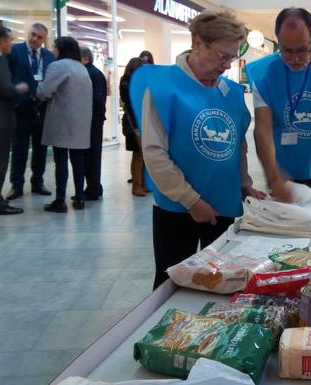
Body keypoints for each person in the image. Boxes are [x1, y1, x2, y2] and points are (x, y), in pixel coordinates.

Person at [129, 10, 265, 289]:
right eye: (221, 56)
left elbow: (236, 144)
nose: (226, 66)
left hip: (223, 202)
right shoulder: (162, 87)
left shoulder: (230, 92)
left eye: (232, 57)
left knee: (220, 278)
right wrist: (190, 200)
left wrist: (244, 183)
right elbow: (154, 153)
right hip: (177, 208)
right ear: (198, 42)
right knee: (172, 281)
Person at [246, 7, 311, 205]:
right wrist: (273, 176)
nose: (295, 58)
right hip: (283, 174)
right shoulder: (264, 74)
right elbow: (263, 130)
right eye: (287, 50)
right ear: (278, 40)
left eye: (303, 49)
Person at [37, 36, 92, 212]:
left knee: (61, 160)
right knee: (78, 159)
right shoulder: (81, 68)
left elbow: (45, 91)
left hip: (62, 120)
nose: (53, 51)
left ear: (62, 49)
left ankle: (60, 200)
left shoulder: (58, 66)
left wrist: (36, 90)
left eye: (55, 47)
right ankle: (79, 197)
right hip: (81, 122)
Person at [6, 23, 54, 200]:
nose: (34, 39)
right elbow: (6, 76)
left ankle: (37, 182)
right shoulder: (15, 51)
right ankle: (16, 185)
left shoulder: (49, 56)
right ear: (28, 33)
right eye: (32, 34)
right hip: (20, 107)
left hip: (41, 107)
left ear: (44, 39)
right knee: (19, 147)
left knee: (41, 147)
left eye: (39, 37)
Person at [0, 26, 28, 215]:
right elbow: (5, 89)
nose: (12, 44)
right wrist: (19, 89)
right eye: (9, 40)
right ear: (0, 41)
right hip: (0, 120)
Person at [80, 47, 107, 200]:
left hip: (92, 121)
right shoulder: (95, 73)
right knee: (93, 156)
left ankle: (93, 188)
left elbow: (95, 99)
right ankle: (95, 187)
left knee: (91, 156)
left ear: (85, 58)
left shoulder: (89, 74)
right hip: (95, 120)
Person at [119, 57, 147, 196]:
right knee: (139, 155)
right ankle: (137, 186)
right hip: (134, 123)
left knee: (141, 155)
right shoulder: (128, 85)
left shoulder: (127, 83)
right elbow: (131, 106)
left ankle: (141, 184)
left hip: (136, 122)